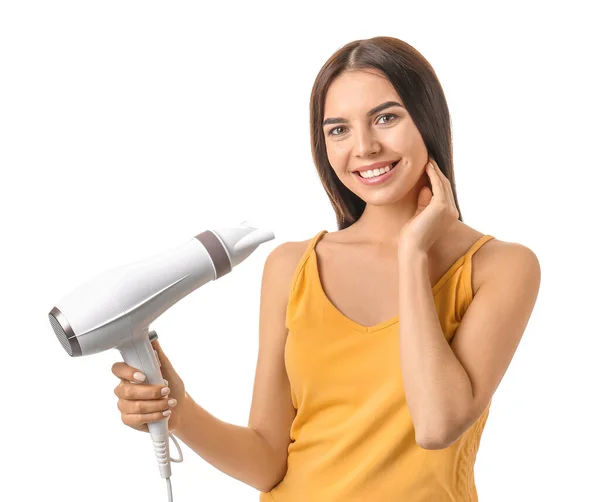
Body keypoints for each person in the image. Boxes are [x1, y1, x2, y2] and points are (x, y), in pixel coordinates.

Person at [111, 36, 541, 501]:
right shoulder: (291, 267)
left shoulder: (500, 268)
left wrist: (413, 255)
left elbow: (437, 425)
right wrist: (180, 411)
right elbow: (267, 461)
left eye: (386, 118)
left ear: (428, 119)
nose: (365, 147)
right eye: (338, 129)